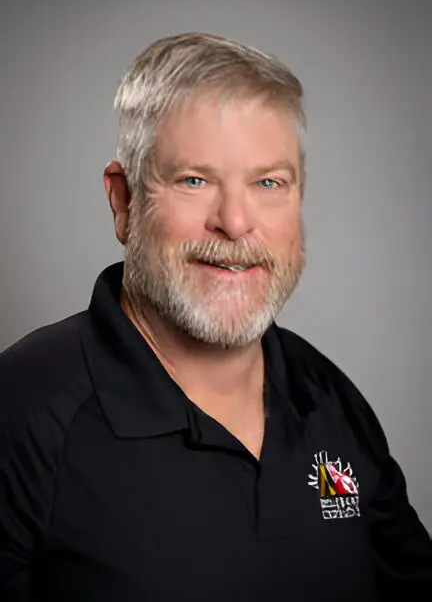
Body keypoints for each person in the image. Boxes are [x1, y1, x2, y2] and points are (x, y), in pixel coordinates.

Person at [0, 32, 430, 602]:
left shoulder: (328, 397)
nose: (234, 221)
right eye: (194, 180)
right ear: (124, 201)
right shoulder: (21, 411)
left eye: (268, 182)